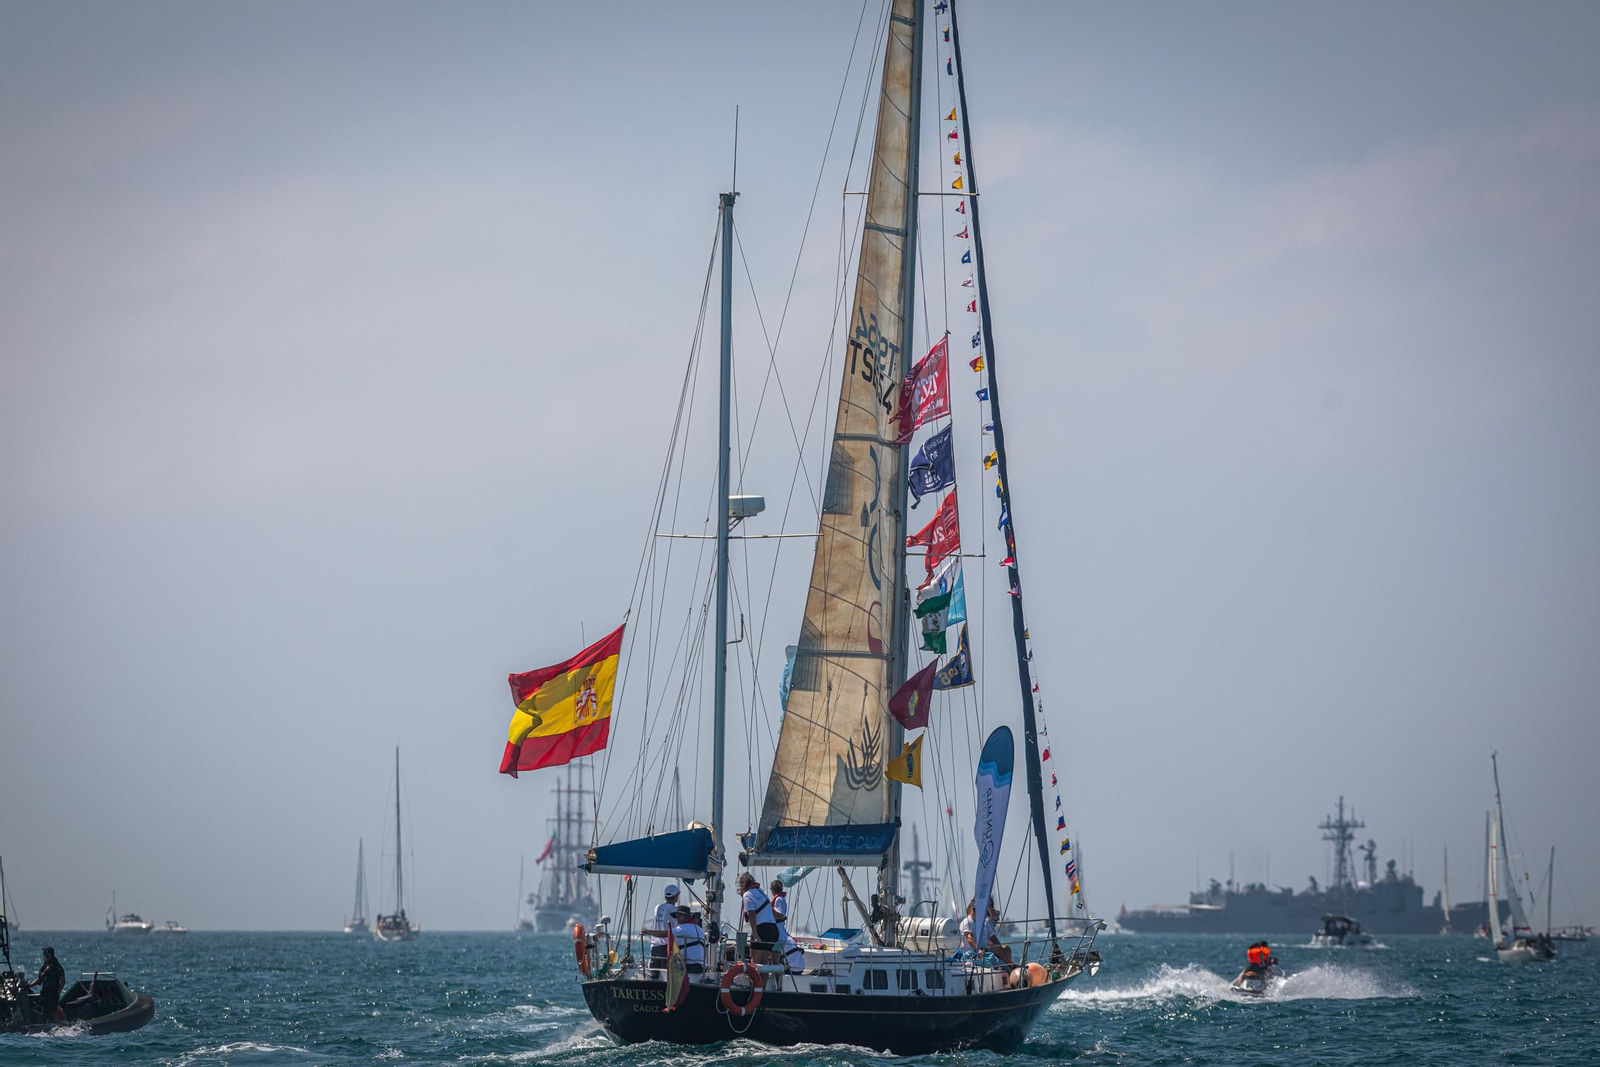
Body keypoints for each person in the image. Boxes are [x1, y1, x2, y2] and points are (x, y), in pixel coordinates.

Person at [737, 872, 780, 965]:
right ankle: (762, 980)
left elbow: (752, 914)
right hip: (773, 929)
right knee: (764, 963)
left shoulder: (747, 895)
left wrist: (755, 934)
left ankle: (755, 979)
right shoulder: (762, 892)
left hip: (762, 929)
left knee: (755, 963)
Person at [769, 879, 805, 973]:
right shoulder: (780, 899)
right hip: (778, 932)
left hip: (778, 933)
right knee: (773, 958)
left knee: (774, 960)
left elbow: (780, 915)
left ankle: (775, 979)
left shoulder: (779, 899)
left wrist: (768, 908)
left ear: (772, 889)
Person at [29, 946, 65, 1023]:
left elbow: (62, 980)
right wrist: (29, 985)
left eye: (48, 956)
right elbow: (40, 979)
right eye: (45, 956)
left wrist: (58, 991)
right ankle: (48, 1025)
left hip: (53, 993)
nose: (46, 957)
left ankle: (57, 1026)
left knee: (52, 1011)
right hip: (45, 992)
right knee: (45, 1010)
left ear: (52, 956)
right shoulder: (45, 967)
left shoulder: (57, 967)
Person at [649, 884, 681, 972]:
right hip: (666, 946)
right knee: (666, 974)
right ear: (676, 896)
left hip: (654, 946)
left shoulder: (657, 907)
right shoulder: (674, 910)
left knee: (654, 974)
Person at [671, 905, 707, 974]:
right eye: (676, 915)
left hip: (689, 965)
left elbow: (666, 933)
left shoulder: (684, 928)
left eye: (679, 915)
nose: (677, 918)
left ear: (686, 916)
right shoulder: (698, 928)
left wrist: (649, 932)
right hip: (701, 966)